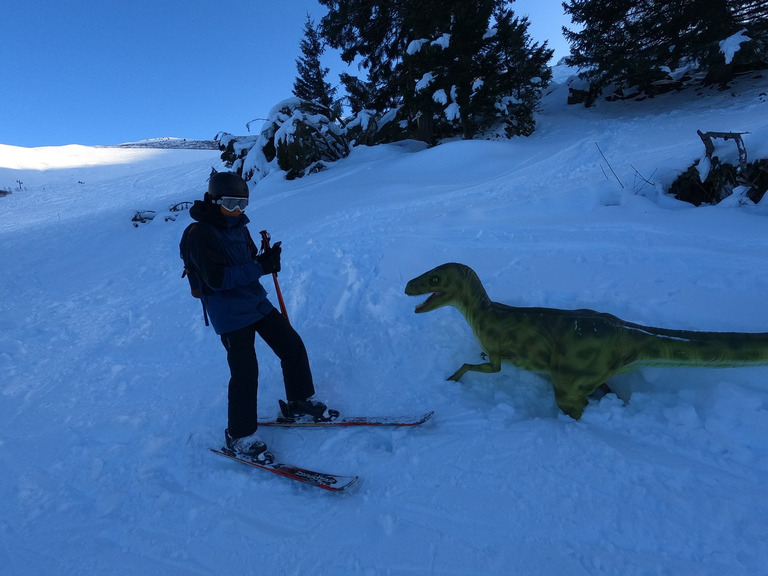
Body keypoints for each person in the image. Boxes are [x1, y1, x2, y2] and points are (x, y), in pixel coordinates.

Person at [180, 171, 327, 459]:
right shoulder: (200, 234)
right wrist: (261, 267)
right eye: (232, 203)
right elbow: (218, 280)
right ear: (213, 199)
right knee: (246, 373)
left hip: (254, 301)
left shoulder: (239, 226)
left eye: (242, 204)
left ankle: (299, 401)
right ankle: (239, 435)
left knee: (292, 346)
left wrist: (265, 260)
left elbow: (246, 262)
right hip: (230, 313)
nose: (238, 210)